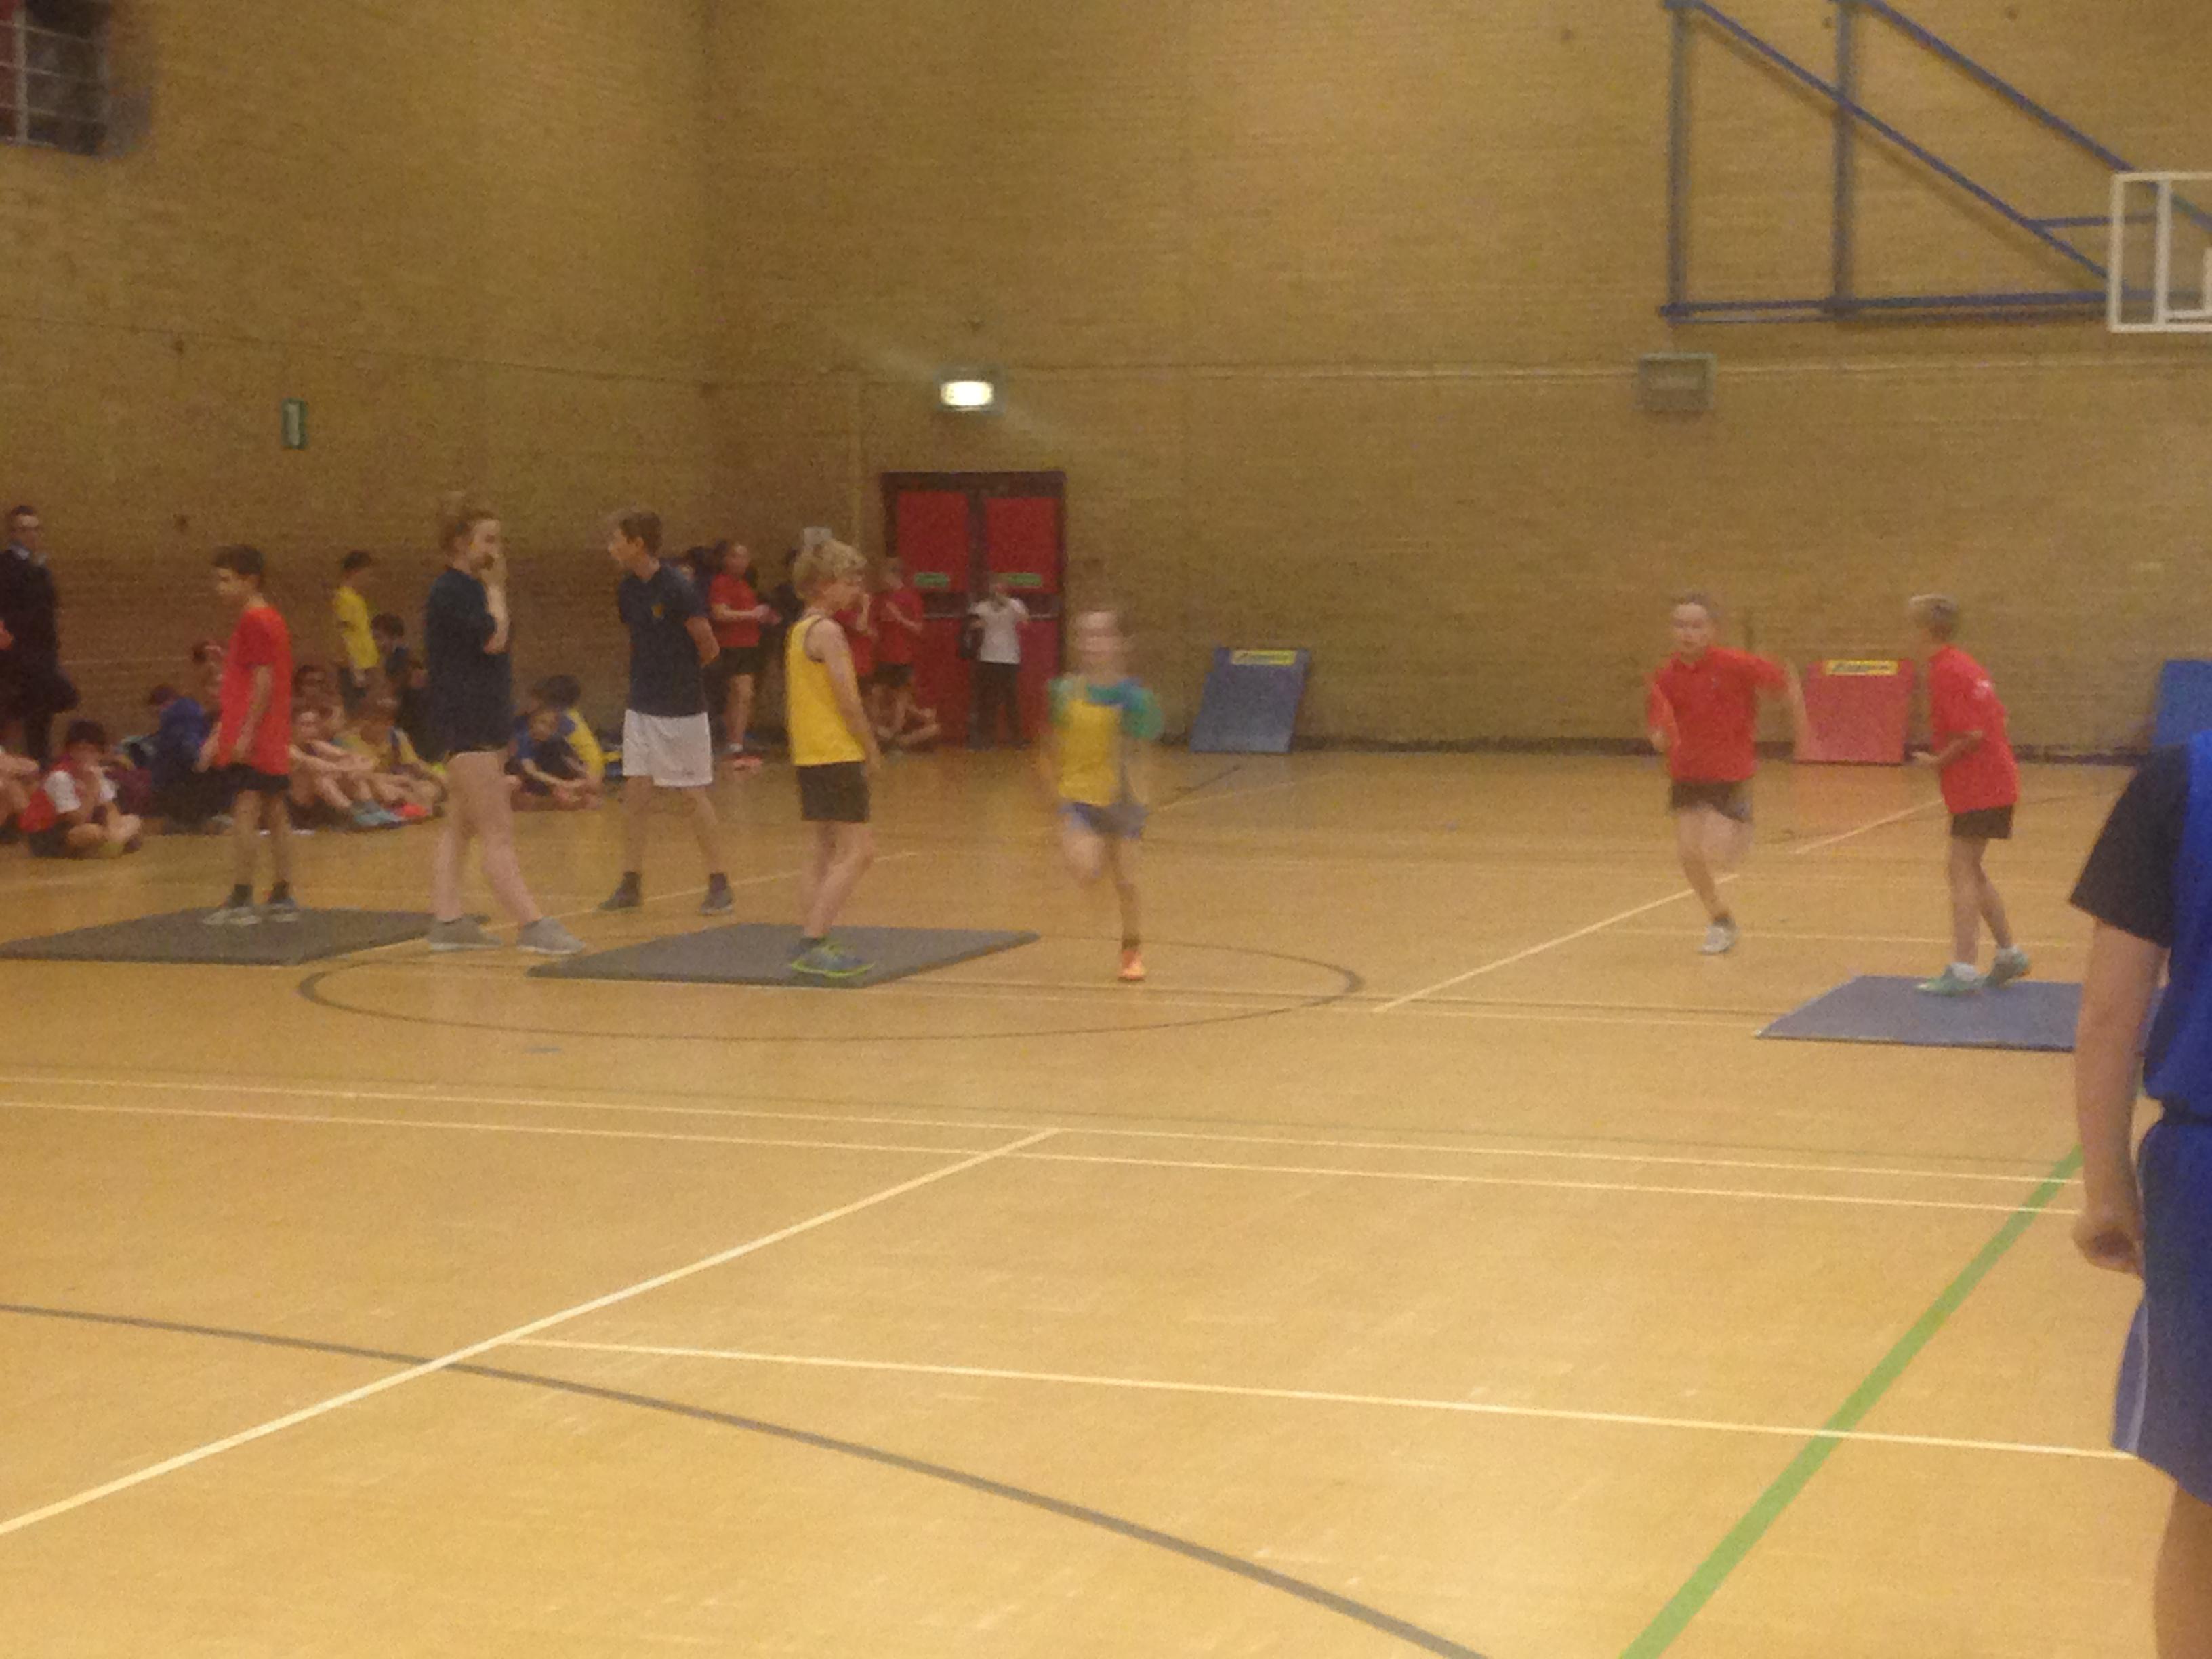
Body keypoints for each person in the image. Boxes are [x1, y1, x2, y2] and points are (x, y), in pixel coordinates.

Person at [2071, 741, 2212, 1656]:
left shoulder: (2182, 778)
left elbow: (2110, 1012)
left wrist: (2106, 1185)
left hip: (2206, 1177)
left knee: (2207, 1498)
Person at [421, 493, 583, 955]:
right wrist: (497, 590)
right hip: (466, 725)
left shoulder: (469, 589)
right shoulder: (452, 591)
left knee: (460, 826)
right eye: (488, 540)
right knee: (497, 831)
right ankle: (531, 924)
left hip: (484, 725)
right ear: (460, 543)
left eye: (499, 540)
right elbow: (493, 639)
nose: (498, 550)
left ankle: (447, 920)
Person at [1645, 591, 1807, 954]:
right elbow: (1658, 725)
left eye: (1696, 626)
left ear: (1712, 630)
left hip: (1730, 772)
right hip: (1687, 773)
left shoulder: (1735, 664)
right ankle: (1720, 919)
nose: (1688, 633)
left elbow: (1784, 684)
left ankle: (1742, 819)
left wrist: (1802, 730)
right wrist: (1659, 737)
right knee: (1689, 853)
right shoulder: (1666, 676)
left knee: (1721, 854)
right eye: (1680, 625)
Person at [598, 509, 733, 917]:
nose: (610, 546)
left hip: (681, 709)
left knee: (692, 795)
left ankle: (719, 882)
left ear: (638, 543)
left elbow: (709, 646)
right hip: (641, 706)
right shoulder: (627, 589)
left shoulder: (677, 587)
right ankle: (631, 881)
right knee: (636, 793)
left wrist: (681, 680)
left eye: (617, 539)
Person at [1908, 594, 2029, 996]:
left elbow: (1972, 733)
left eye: (1911, 627)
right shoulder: (1965, 665)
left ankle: (1963, 967)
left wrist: (1937, 761)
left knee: (1959, 869)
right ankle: (2009, 953)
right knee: (1972, 869)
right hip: (1991, 781)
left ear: (1925, 630)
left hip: (1981, 785)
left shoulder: (1945, 671)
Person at [1041, 607, 1163, 983]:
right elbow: (1048, 744)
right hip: (1079, 799)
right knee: (1087, 869)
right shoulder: (1064, 692)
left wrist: (1144, 796)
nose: (1093, 644)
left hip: (1123, 801)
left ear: (1121, 644)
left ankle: (1131, 950)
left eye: (1102, 636)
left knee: (1128, 882)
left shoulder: (1135, 699)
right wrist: (1056, 795)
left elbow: (1144, 752)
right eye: (1086, 636)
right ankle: (1096, 846)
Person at [785, 538, 882, 978]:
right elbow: (849, 700)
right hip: (835, 751)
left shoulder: (799, 630)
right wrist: (871, 749)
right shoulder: (828, 632)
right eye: (850, 580)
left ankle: (815, 933)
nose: (856, 589)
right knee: (860, 852)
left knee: (823, 848)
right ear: (825, 584)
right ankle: (813, 940)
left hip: (810, 754)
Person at [197, 546, 298, 922]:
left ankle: (241, 897)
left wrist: (245, 734)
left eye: (226, 580)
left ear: (250, 580)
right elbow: (250, 678)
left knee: (246, 809)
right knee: (275, 809)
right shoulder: (270, 618)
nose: (219, 588)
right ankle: (283, 893)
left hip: (256, 735)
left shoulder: (254, 621)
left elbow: (264, 682)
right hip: (269, 732)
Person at [0, 504, 73, 765]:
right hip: (19, 659)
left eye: (36, 529)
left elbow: (48, 607)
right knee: (22, 721)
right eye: (24, 530)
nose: (32, 535)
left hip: (41, 656)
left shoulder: (38, 566)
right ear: (12, 533)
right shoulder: (7, 566)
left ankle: (38, 768)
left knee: (40, 723)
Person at [19, 720, 141, 859]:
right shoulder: (60, 777)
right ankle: (110, 847)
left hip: (84, 826)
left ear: (100, 755)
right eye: (79, 750)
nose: (85, 756)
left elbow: (111, 810)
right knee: (92, 832)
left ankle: (110, 846)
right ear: (69, 751)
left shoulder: (96, 774)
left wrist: (113, 831)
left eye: (91, 751)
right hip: (49, 833)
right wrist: (92, 788)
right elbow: (78, 820)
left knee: (132, 820)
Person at [148, 641, 232, 832]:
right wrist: (220, 730)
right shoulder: (185, 712)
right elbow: (199, 763)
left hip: (202, 792)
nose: (222, 692)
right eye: (216, 686)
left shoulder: (217, 714)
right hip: (180, 798)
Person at [706, 541, 773, 768]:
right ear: (726, 560)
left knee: (744, 695)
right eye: (736, 556)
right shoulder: (721, 583)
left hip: (749, 645)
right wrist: (752, 614)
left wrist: (763, 616)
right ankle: (731, 742)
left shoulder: (745, 585)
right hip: (730, 646)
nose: (742, 562)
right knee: (737, 693)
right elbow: (720, 614)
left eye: (745, 557)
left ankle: (737, 743)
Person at [344, 695, 443, 817]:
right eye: (374, 720)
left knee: (429, 789)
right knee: (388, 792)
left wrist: (436, 777)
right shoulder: (351, 741)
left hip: (400, 780)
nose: (380, 725)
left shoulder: (396, 736)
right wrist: (398, 780)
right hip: (372, 783)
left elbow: (414, 764)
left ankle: (415, 810)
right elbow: (361, 775)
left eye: (386, 721)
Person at [968, 573, 1030, 747]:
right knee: (988, 701)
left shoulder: (1015, 604)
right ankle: (987, 738)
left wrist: (1007, 604)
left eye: (1000, 586)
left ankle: (1016, 737)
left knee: (1011, 700)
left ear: (1006, 588)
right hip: (988, 658)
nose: (997, 589)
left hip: (1010, 658)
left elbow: (1026, 621)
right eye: (994, 586)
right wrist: (980, 622)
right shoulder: (982, 607)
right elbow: (971, 625)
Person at [870, 557, 926, 742]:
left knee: (900, 698)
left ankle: (895, 736)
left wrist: (899, 618)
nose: (881, 579)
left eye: (884, 575)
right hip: (882, 655)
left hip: (903, 655)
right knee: (876, 694)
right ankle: (876, 733)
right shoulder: (880, 598)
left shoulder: (910, 598)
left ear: (894, 575)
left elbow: (919, 628)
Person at [508, 703, 599, 811]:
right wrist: (564, 784)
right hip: (525, 779)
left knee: (591, 783)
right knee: (515, 785)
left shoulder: (555, 741)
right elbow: (531, 771)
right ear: (532, 722)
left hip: (546, 781)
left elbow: (571, 761)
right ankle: (554, 802)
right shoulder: (523, 739)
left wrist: (585, 776)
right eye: (542, 723)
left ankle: (571, 800)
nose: (545, 729)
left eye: (551, 726)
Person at [371, 612, 432, 756]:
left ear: (395, 637)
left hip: (416, 723)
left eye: (380, 638)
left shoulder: (404, 660)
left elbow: (408, 691)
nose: (377, 644)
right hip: (408, 720)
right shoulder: (394, 659)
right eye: (375, 639)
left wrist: (387, 703)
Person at [333, 550, 380, 710]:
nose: (369, 580)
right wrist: (355, 670)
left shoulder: (356, 599)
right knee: (355, 712)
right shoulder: (344, 598)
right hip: (355, 667)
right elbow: (344, 634)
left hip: (364, 664)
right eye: (367, 574)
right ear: (355, 572)